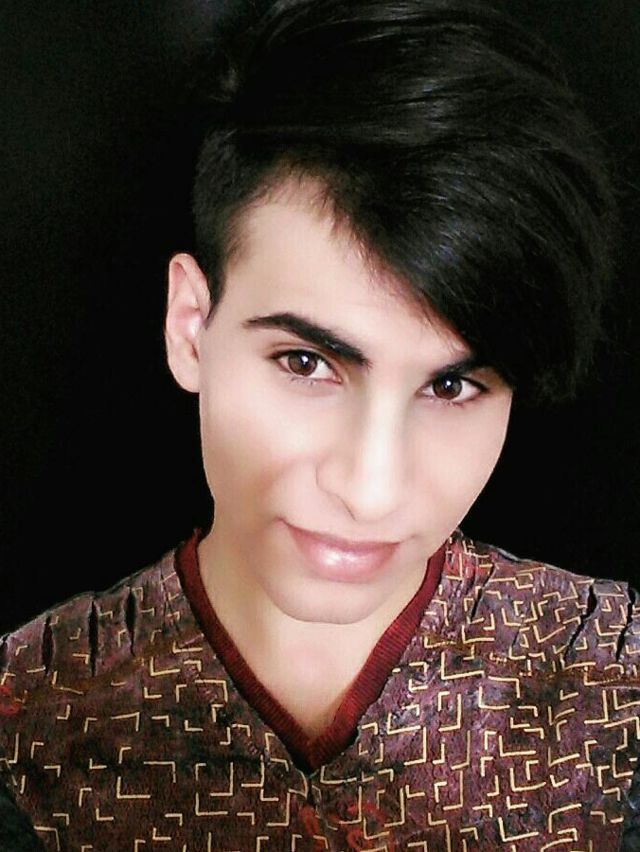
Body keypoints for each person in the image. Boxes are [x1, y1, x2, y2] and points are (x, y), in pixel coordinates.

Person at [2, 0, 639, 849]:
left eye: (452, 386)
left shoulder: (614, 681)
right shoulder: (31, 721)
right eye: (306, 363)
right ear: (190, 328)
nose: (370, 489)